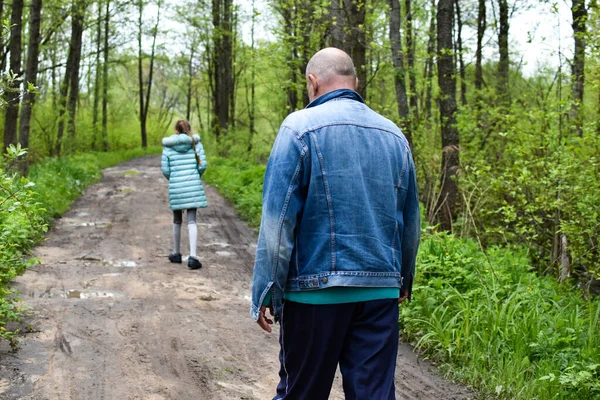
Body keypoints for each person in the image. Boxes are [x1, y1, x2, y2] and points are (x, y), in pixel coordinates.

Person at [250, 48, 421, 399]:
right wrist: (402, 278)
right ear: (355, 83)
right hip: (379, 294)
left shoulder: (298, 128)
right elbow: (409, 218)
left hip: (314, 296)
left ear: (313, 83)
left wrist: (267, 289)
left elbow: (278, 221)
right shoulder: (394, 135)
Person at [161, 119, 208, 270]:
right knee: (192, 221)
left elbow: (165, 169)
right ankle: (193, 257)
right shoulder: (195, 143)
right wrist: (195, 176)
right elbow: (203, 165)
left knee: (177, 220)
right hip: (192, 184)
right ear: (189, 129)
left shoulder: (168, 146)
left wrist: (174, 179)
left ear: (176, 130)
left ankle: (176, 253)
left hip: (176, 186)